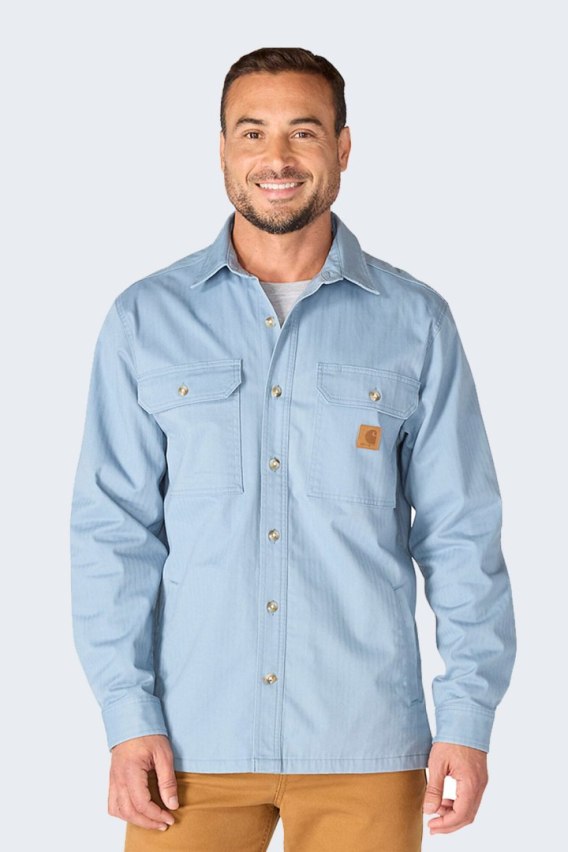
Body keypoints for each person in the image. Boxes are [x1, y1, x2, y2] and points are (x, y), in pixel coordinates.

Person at [70, 47, 517, 851]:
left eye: (303, 132)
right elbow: (113, 534)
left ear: (342, 147)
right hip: (189, 745)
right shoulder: (145, 319)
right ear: (222, 150)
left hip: (366, 742)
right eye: (253, 133)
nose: (276, 158)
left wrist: (468, 716)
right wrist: (126, 714)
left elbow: (461, 532)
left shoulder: (415, 322)